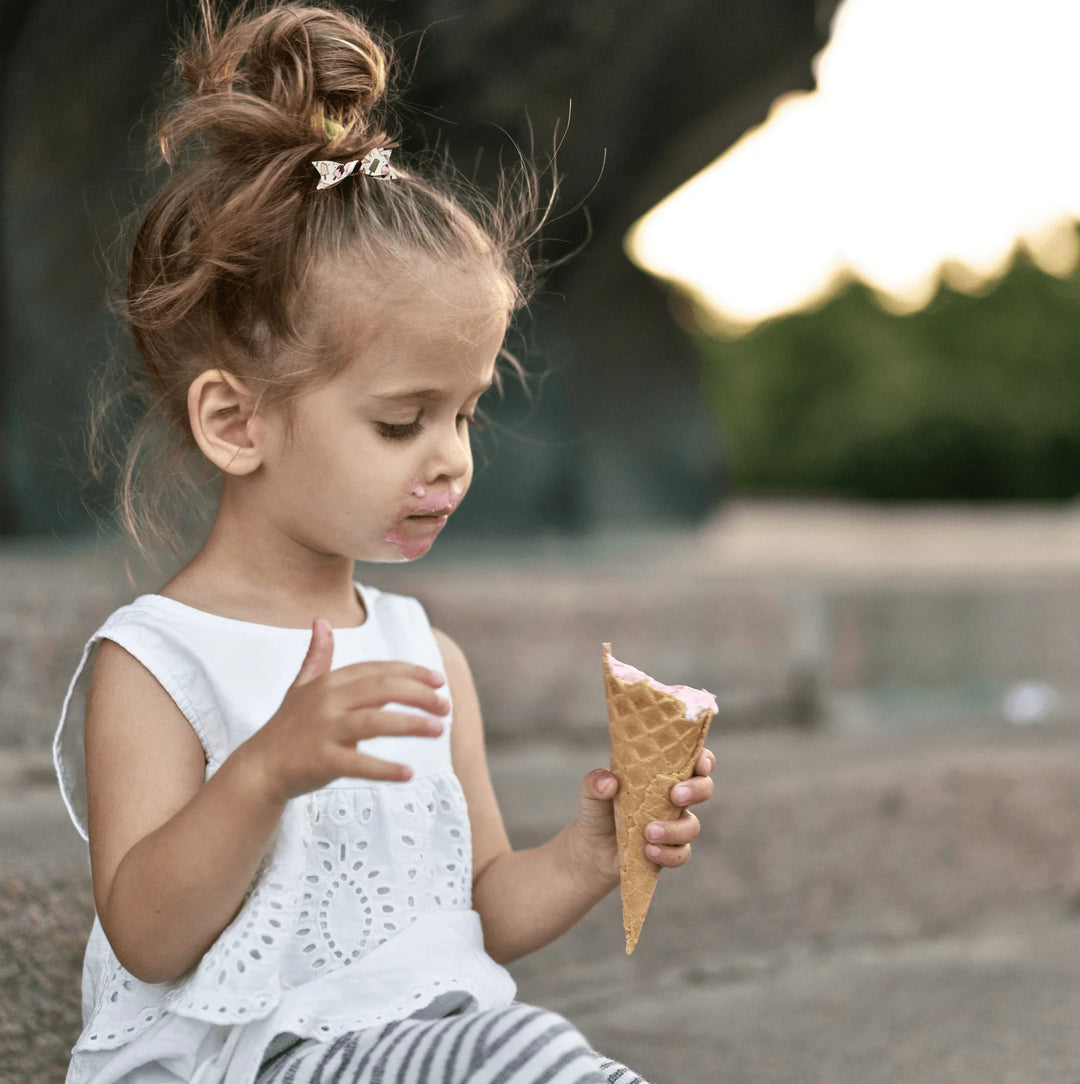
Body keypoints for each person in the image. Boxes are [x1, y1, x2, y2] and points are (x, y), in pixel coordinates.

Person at [52, 2, 717, 1081]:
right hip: (244, 1061)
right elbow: (147, 935)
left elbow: (477, 909)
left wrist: (589, 855)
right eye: (403, 422)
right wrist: (264, 771)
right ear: (236, 422)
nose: (451, 458)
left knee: (524, 1046)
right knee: (526, 1051)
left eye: (467, 414)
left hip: (413, 1047)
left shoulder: (424, 654)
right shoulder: (160, 660)